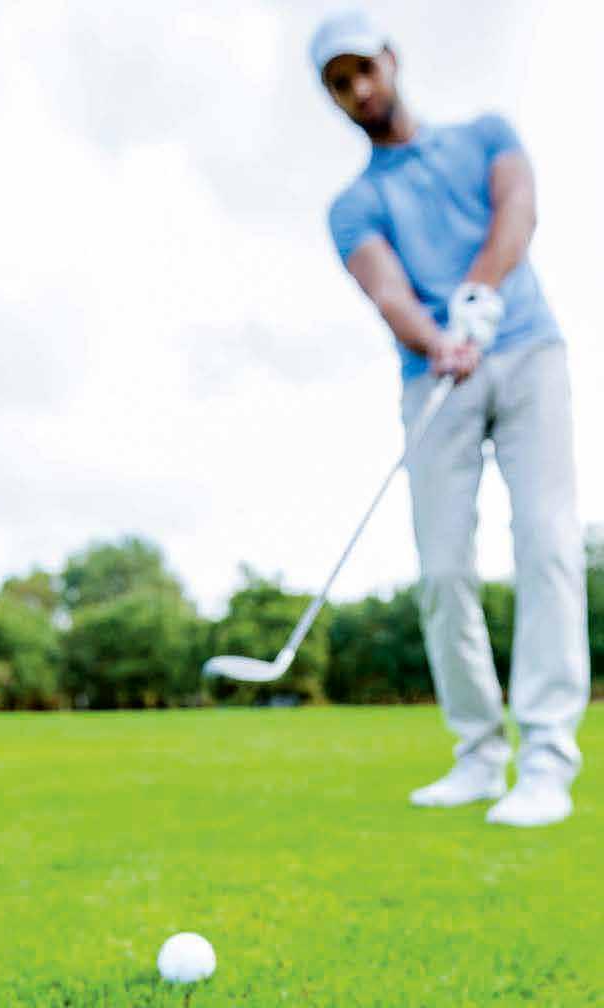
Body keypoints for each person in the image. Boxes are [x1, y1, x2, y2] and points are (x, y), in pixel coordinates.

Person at [309, 9, 590, 826]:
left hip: (528, 349)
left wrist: (478, 293)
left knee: (547, 542)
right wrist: (438, 339)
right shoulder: (354, 204)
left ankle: (546, 760)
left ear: (391, 60)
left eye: (364, 69)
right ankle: (478, 755)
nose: (359, 89)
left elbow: (517, 211)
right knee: (441, 571)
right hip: (434, 376)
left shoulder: (485, 134)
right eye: (340, 83)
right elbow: (387, 290)